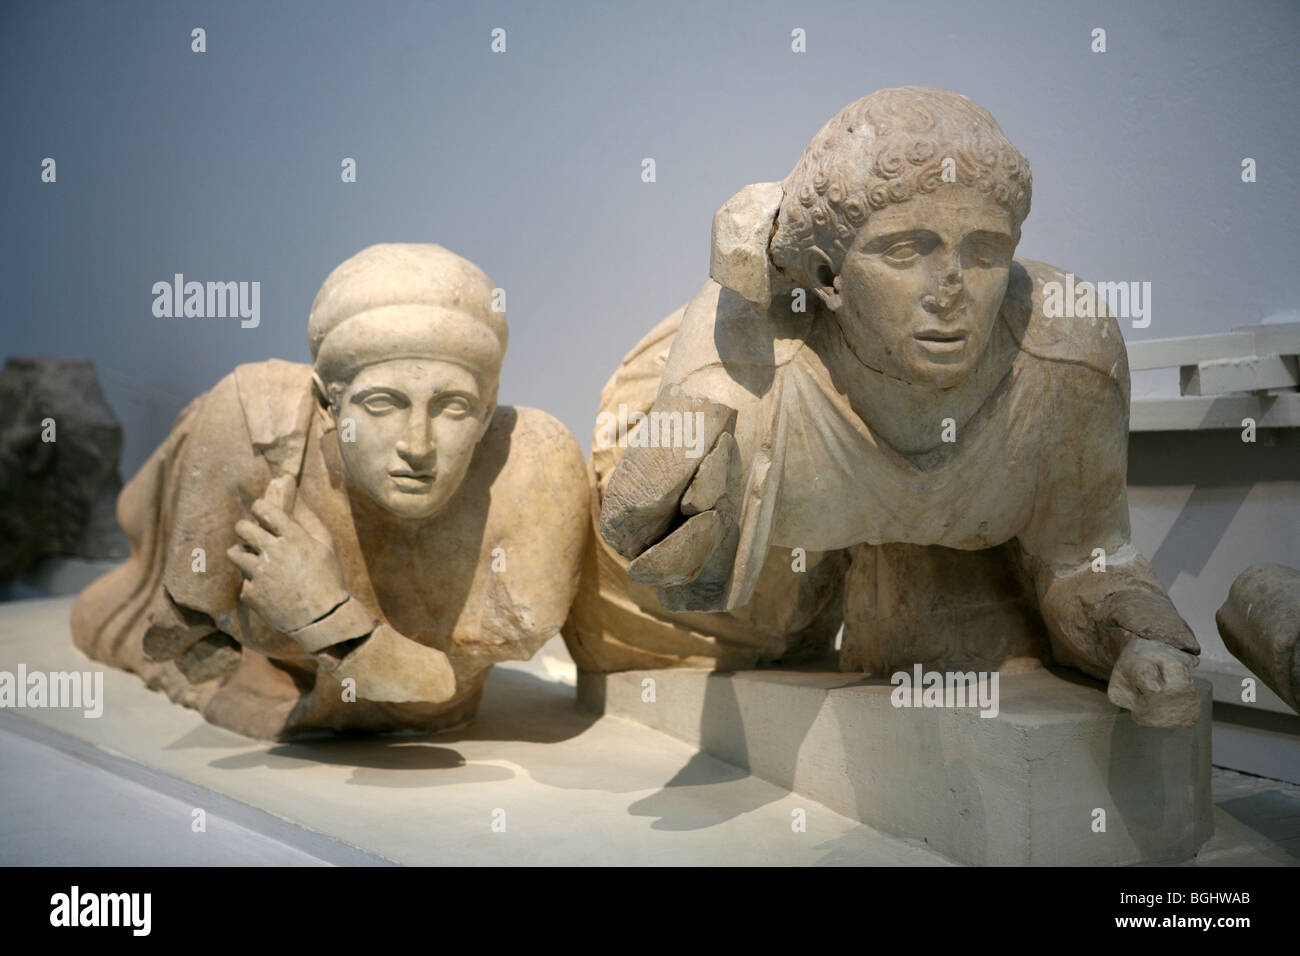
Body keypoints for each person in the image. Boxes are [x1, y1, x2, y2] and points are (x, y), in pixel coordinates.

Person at [584, 88, 1201, 728]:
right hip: (679, 446)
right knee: (769, 625)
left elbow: (1088, 561)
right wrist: (672, 499)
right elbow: (672, 555)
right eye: (907, 251)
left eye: (985, 251)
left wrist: (1142, 640)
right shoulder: (755, 359)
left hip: (897, 533)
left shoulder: (1065, 358)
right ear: (828, 278)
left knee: (962, 637)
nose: (949, 291)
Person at [72, 243, 589, 738]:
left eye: (451, 406)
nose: (418, 445)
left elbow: (440, 689)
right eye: (383, 404)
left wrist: (318, 608)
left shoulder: (533, 466)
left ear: (485, 413)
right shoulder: (256, 429)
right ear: (328, 404)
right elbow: (188, 643)